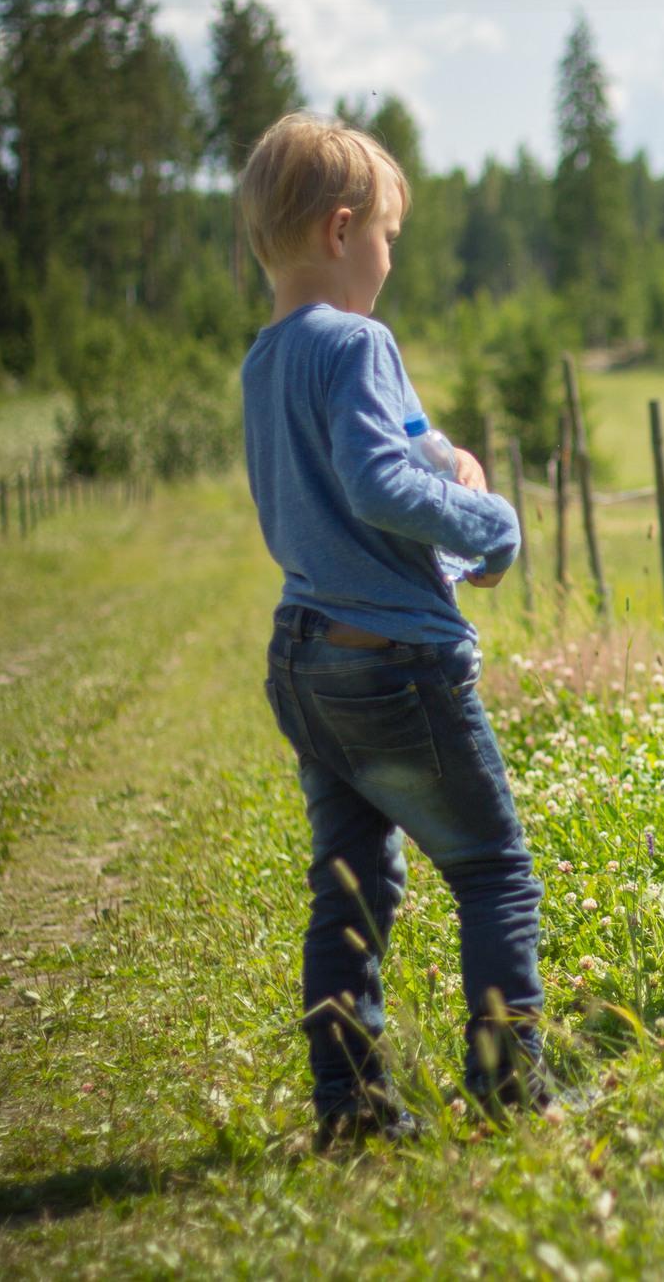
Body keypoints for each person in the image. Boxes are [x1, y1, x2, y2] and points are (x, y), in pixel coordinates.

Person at [237, 112, 546, 1148]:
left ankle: (351, 1106)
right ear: (338, 230)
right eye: (385, 237)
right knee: (492, 868)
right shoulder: (358, 339)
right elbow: (377, 483)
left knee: (349, 881)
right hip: (392, 660)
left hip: (304, 654)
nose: (387, 257)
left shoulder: (267, 360)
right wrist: (490, 524)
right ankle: (509, 1088)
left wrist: (444, 458)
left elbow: (393, 447)